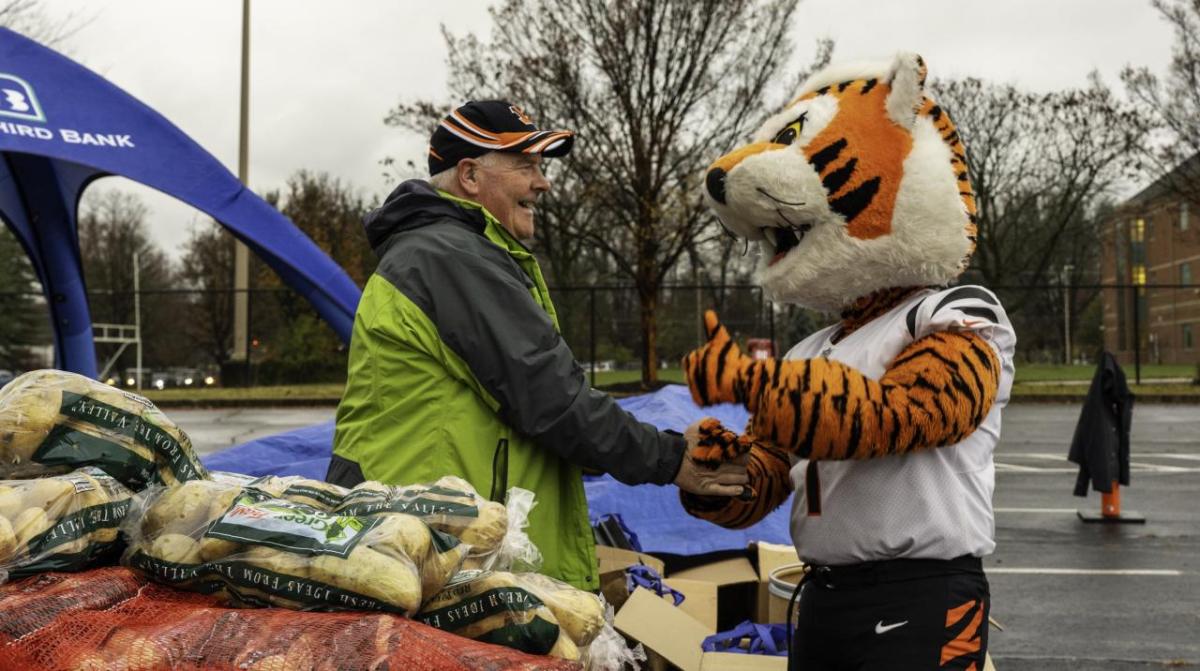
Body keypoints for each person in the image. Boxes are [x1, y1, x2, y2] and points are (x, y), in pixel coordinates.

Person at [327, 100, 747, 590]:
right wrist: (672, 459)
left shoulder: (453, 250)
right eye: (526, 166)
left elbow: (533, 406)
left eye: (540, 167)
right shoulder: (449, 258)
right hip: (430, 556)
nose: (542, 182)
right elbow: (552, 399)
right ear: (469, 176)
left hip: (433, 548)